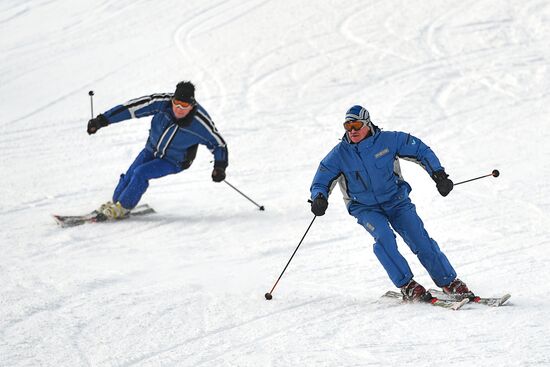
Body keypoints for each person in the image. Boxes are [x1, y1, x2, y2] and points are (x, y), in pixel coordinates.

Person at [309, 105, 473, 302]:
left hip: (396, 201)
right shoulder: (339, 155)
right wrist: (319, 197)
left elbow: (420, 150)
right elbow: (321, 180)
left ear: (367, 124)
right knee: (384, 238)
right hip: (365, 208)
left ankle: (449, 281)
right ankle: (407, 285)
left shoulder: (389, 141)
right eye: (347, 126)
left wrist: (438, 174)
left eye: (356, 125)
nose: (352, 130)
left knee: (419, 238)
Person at [87, 81, 228, 219]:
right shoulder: (162, 103)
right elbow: (131, 108)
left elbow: (219, 144)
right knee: (129, 177)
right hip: (151, 150)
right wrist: (102, 120)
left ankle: (123, 207)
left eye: (184, 105)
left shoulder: (200, 123)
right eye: (176, 103)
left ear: (192, 105)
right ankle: (116, 202)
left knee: (141, 173)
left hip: (174, 161)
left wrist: (220, 167)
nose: (178, 108)